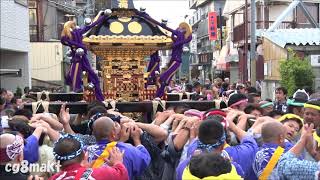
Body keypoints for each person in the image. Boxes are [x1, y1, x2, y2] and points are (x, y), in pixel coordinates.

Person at [85, 116, 151, 179]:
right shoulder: (126, 150)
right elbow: (145, 158)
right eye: (116, 125)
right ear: (113, 133)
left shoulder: (85, 152)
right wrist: (137, 140)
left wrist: (120, 141)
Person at [50, 134, 129, 180]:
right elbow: (122, 175)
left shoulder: (54, 178)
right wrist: (118, 163)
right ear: (84, 155)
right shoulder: (100, 173)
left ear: (57, 160)